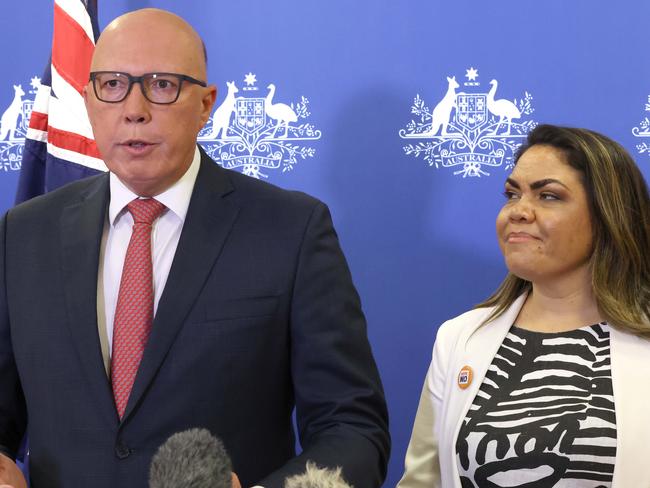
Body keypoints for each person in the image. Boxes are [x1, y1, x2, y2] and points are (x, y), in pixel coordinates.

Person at [0, 8, 389, 488]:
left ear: (206, 104)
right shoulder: (24, 233)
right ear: (87, 100)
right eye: (112, 85)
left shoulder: (291, 231)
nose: (134, 108)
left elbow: (351, 429)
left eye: (162, 85)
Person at [397, 124, 650, 488]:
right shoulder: (459, 338)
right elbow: (423, 481)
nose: (519, 211)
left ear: (607, 215)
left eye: (548, 196)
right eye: (512, 194)